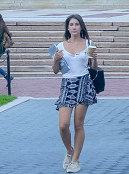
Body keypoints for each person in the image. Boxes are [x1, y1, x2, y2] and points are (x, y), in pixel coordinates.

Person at [53, 15, 99, 173]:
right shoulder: (59, 46)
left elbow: (93, 67)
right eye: (71, 24)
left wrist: (94, 59)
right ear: (67, 27)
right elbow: (56, 71)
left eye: (76, 24)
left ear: (81, 27)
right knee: (63, 125)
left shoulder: (89, 44)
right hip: (67, 84)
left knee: (78, 124)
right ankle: (69, 150)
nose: (74, 27)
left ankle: (76, 160)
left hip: (84, 83)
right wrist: (55, 59)